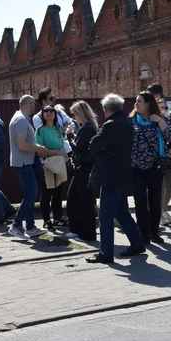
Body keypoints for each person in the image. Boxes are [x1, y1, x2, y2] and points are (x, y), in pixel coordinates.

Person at [87, 93, 146, 264]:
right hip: (123, 172)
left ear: (106, 109)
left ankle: (106, 253)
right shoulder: (126, 123)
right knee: (121, 212)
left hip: (110, 174)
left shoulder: (111, 124)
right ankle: (137, 243)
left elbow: (94, 145)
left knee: (105, 215)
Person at [130, 91, 171, 246]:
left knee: (155, 202)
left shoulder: (159, 119)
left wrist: (160, 122)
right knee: (140, 202)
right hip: (136, 168)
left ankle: (154, 232)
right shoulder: (132, 121)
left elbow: (170, 138)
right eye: (136, 101)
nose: (136, 104)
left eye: (139, 101)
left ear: (147, 104)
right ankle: (143, 234)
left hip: (155, 167)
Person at [9, 96, 49, 240]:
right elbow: (21, 145)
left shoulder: (20, 118)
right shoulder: (20, 119)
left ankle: (30, 227)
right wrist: (38, 148)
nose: (35, 107)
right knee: (31, 195)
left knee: (30, 194)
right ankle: (16, 225)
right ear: (30, 104)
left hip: (25, 162)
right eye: (34, 104)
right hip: (23, 163)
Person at [65, 100, 98, 241]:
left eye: (75, 114)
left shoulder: (88, 128)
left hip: (85, 167)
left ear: (81, 114)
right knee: (73, 198)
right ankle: (76, 228)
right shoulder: (85, 127)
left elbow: (77, 147)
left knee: (85, 201)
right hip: (81, 167)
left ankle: (88, 234)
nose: (74, 117)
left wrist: (70, 135)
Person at [35, 105, 69, 230]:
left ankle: (58, 218)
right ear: (42, 114)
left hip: (59, 163)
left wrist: (62, 154)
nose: (49, 113)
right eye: (46, 111)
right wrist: (56, 153)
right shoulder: (40, 130)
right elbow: (39, 150)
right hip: (47, 165)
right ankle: (46, 220)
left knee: (58, 192)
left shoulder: (58, 128)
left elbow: (62, 146)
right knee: (46, 193)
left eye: (51, 111)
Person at [149, 84, 171, 225]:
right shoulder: (149, 118)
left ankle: (164, 209)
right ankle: (158, 214)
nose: (165, 109)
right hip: (155, 157)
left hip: (167, 156)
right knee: (159, 187)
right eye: (163, 107)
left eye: (166, 107)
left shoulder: (165, 119)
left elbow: (170, 135)